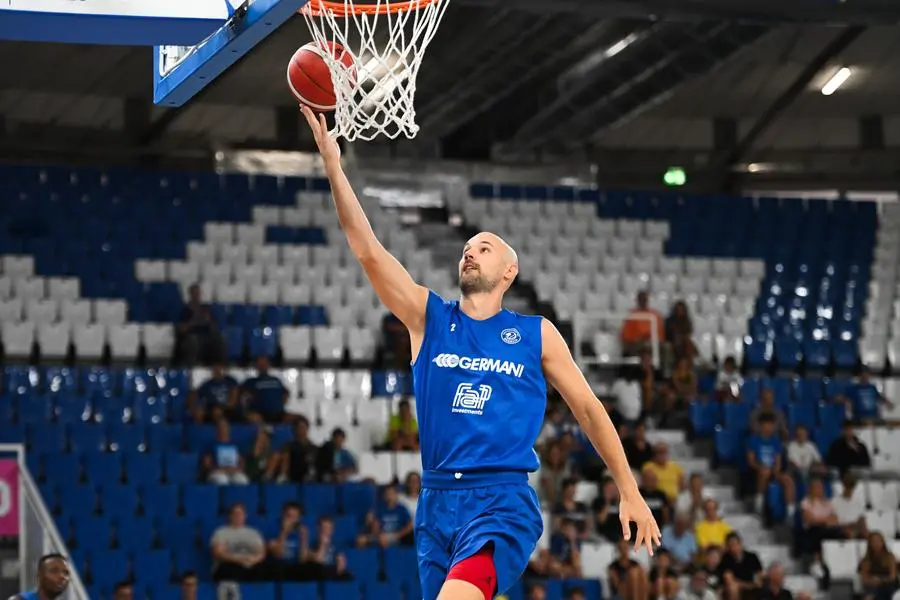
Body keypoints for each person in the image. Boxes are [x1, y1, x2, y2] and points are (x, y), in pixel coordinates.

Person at [302, 106, 660, 600]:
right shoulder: (429, 318)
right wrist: (334, 168)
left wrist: (628, 488)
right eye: (467, 247)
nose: (470, 251)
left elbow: (588, 409)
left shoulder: (536, 333)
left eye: (485, 247)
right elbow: (368, 250)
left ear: (509, 272)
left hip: (501, 501)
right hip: (436, 503)